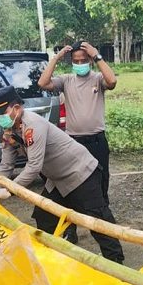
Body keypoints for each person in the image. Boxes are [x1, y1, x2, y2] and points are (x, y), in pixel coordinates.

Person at [0, 86, 124, 264]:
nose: (0, 118)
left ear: (16, 108)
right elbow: (6, 164)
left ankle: (116, 263)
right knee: (44, 216)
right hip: (58, 179)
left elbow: (34, 166)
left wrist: (10, 189)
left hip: (80, 173)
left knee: (97, 219)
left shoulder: (32, 125)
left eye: (2, 112)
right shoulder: (10, 131)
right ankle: (51, 258)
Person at [38, 40, 117, 205]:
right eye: (76, 61)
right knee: (71, 181)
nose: (80, 63)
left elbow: (112, 81)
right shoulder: (66, 81)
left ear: (89, 61)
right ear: (72, 62)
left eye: (83, 60)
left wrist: (97, 55)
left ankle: (102, 218)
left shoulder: (97, 79)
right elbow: (43, 83)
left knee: (101, 179)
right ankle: (71, 226)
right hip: (73, 142)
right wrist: (56, 58)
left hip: (97, 140)